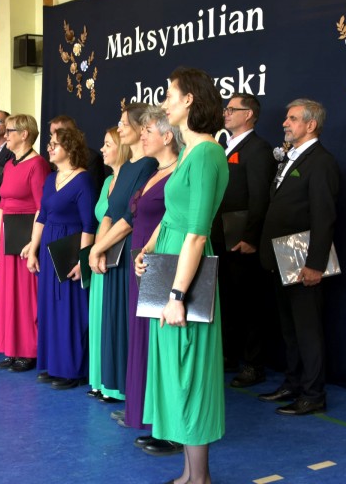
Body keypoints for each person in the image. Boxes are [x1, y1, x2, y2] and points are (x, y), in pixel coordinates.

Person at [135, 67, 228, 482]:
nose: (165, 103)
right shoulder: (190, 152)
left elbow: (197, 232)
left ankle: (200, 478)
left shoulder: (206, 153)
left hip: (186, 275)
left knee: (190, 373)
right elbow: (173, 215)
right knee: (175, 371)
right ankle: (190, 475)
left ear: (189, 99)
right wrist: (149, 249)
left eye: (170, 95)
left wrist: (176, 295)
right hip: (171, 264)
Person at [258, 99, 339, 416]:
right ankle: (293, 383)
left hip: (302, 257)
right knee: (289, 328)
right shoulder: (292, 157)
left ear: (310, 124)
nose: (284, 123)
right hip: (281, 256)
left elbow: (324, 216)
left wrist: (315, 264)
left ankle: (313, 394)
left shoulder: (321, 162)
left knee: (307, 329)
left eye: (292, 119)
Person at [88, 104, 157, 399]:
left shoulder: (148, 166)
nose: (119, 128)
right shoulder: (127, 168)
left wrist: (98, 247)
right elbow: (109, 212)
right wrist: (97, 249)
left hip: (131, 250)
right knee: (116, 322)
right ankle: (120, 388)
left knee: (131, 325)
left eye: (124, 123)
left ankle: (135, 395)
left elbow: (130, 217)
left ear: (142, 128)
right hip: (113, 250)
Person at [125, 107, 182, 453]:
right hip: (144, 261)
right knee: (145, 341)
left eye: (148, 131)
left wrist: (148, 250)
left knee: (162, 344)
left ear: (167, 136)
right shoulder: (153, 171)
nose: (141, 136)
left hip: (162, 261)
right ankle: (149, 416)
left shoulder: (178, 172)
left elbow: (175, 218)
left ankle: (171, 428)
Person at [212, 93, 276, 386]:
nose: (225, 113)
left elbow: (260, 196)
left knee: (250, 304)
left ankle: (253, 364)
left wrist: (251, 237)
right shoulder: (224, 147)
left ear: (248, 114)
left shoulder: (258, 149)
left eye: (231, 109)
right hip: (220, 238)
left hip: (241, 240)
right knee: (226, 299)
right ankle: (229, 355)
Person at [27, 127, 96, 389]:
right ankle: (54, 365)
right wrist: (33, 250)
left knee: (70, 310)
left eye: (55, 144)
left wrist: (82, 260)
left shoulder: (83, 180)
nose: (50, 148)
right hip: (49, 247)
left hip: (70, 247)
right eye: (50, 144)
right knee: (50, 308)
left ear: (70, 147)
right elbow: (42, 216)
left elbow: (89, 225)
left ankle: (72, 369)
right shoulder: (50, 179)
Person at [0, 114, 51, 372]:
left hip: (26, 236)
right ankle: (12, 348)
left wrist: (33, 243)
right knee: (9, 295)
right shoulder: (10, 165)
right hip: (7, 235)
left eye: (10, 130)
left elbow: (41, 207)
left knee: (26, 296)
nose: (5, 135)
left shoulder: (38, 165)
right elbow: (2, 204)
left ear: (24, 134)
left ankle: (29, 350)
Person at [87, 128, 131, 403]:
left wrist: (100, 248)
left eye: (107, 144)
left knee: (115, 319)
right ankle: (100, 379)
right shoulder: (106, 182)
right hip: (101, 254)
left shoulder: (131, 179)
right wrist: (96, 250)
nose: (101, 149)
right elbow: (102, 218)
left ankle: (116, 385)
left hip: (120, 255)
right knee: (100, 319)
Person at [48, 115, 107, 193]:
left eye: (58, 133)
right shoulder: (50, 161)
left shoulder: (92, 159)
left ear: (69, 135)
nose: (53, 137)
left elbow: (93, 192)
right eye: (51, 134)